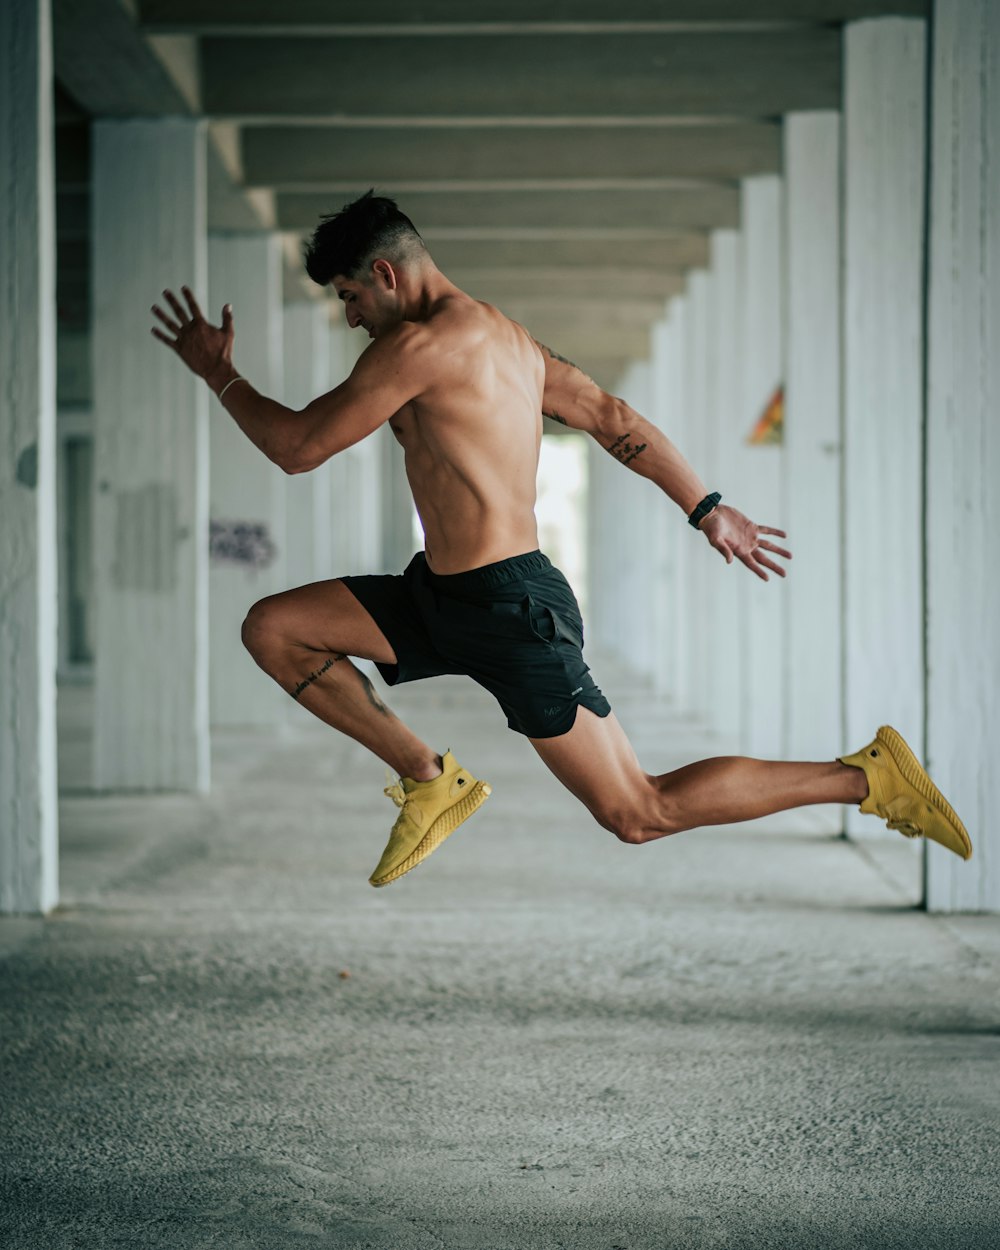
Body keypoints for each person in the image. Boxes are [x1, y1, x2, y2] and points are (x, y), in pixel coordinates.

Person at [151, 191, 971, 887]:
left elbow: (298, 449)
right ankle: (429, 780)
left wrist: (218, 373)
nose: (350, 314)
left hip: (511, 609)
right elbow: (613, 418)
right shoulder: (512, 343)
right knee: (276, 628)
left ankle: (866, 779)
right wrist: (706, 505)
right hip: (443, 593)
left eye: (348, 296)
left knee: (638, 811)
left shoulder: (420, 346)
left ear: (386, 275)